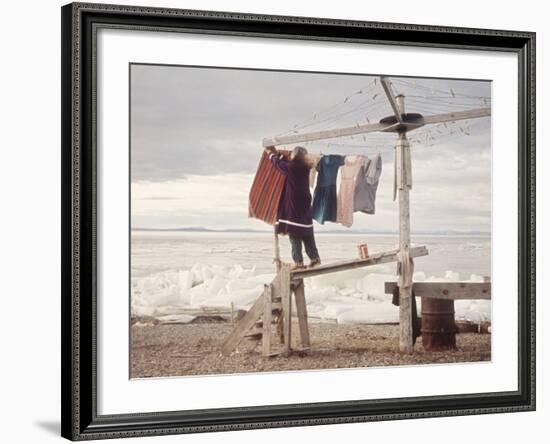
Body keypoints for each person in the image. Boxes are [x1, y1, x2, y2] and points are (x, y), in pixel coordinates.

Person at [264, 145, 321, 270]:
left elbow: (278, 164)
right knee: (307, 233)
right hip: (305, 204)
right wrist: (277, 155)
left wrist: (270, 154)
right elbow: (284, 163)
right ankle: (315, 259)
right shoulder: (305, 167)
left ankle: (298, 262)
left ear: (295, 156)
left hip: (295, 205)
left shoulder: (292, 168)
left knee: (295, 233)